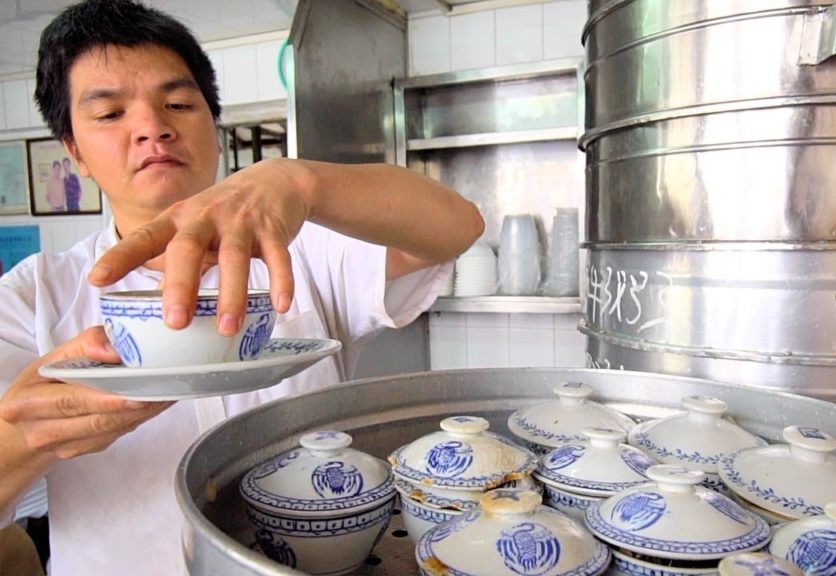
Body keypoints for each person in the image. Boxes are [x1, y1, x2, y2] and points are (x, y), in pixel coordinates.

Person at [0, 1, 483, 575]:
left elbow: (457, 227)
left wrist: (299, 179)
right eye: (109, 114)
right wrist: (26, 438)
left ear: (214, 123)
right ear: (73, 149)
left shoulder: (306, 249)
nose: (153, 126)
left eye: (178, 103)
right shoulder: (31, 296)